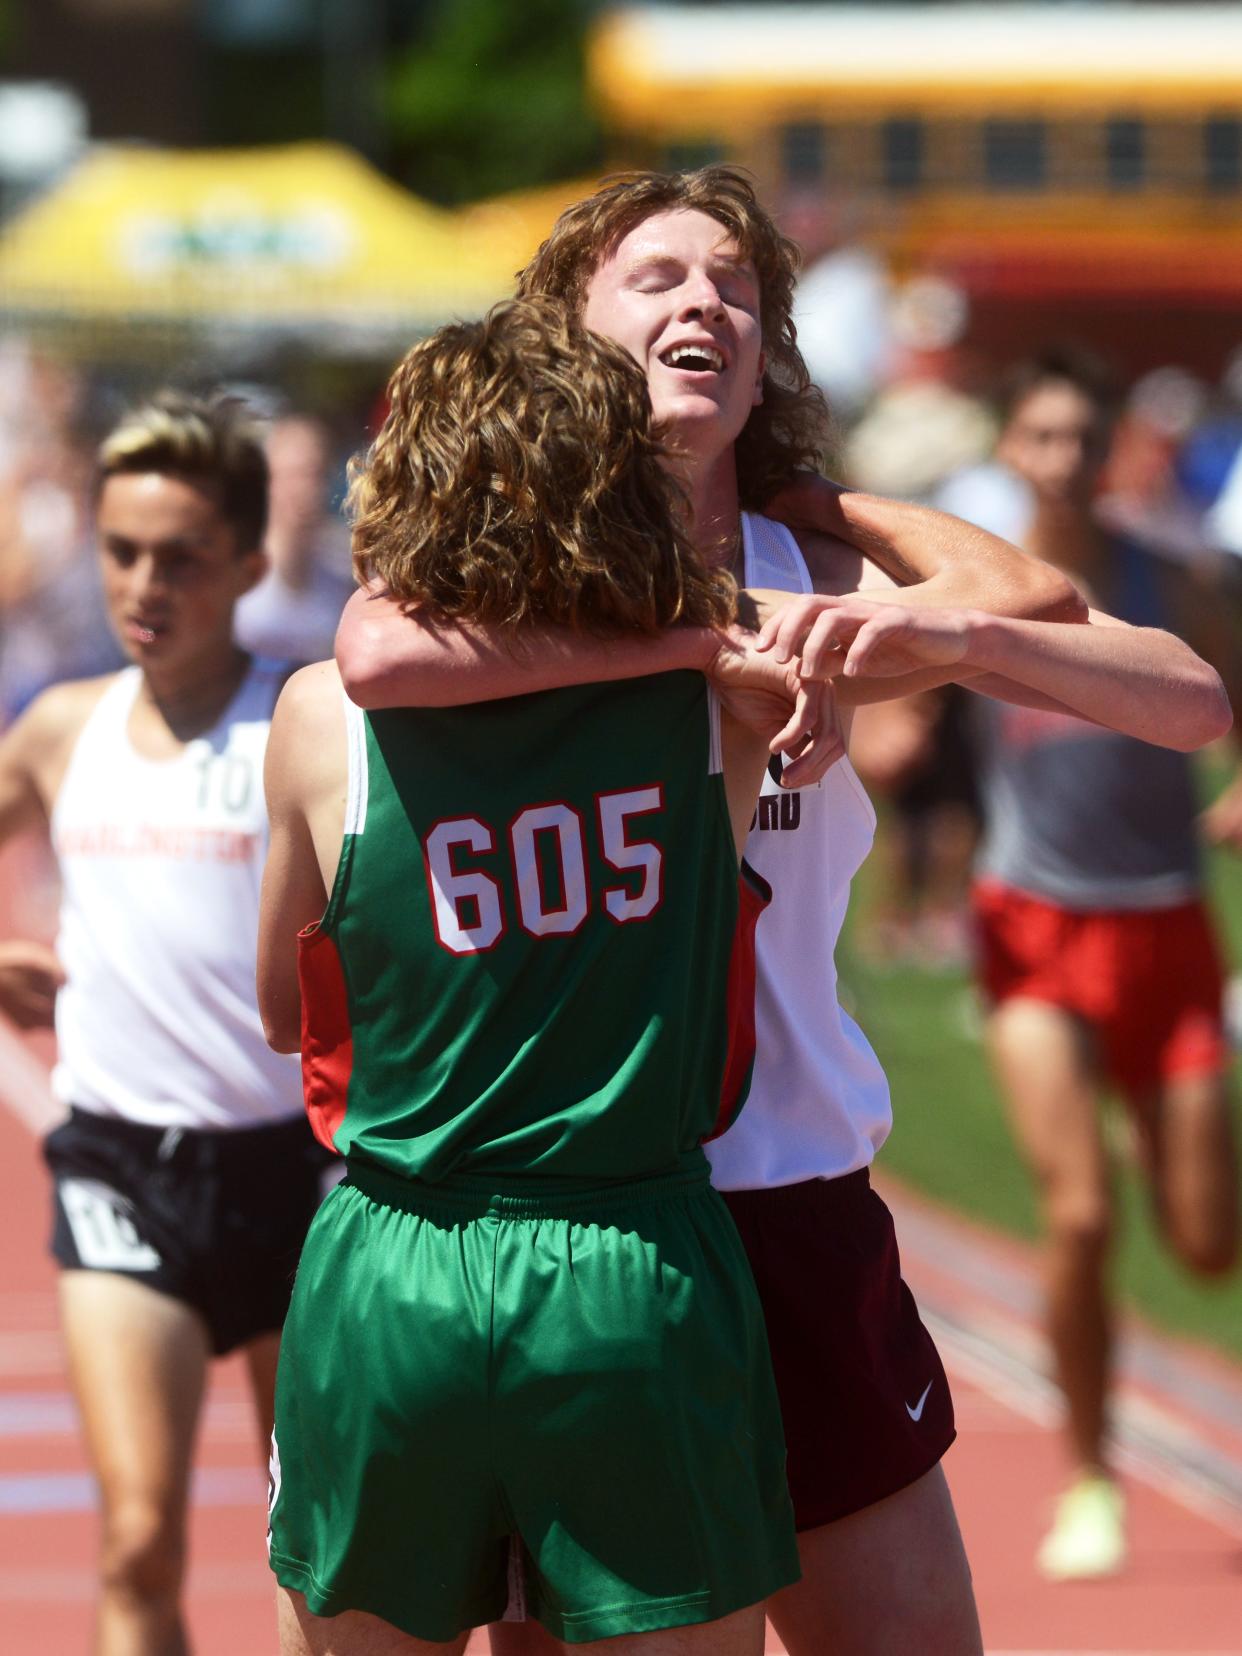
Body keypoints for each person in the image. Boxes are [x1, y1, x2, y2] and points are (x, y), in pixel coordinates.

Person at [332, 170, 1225, 1655]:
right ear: (567, 327)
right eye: (660, 277)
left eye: (740, 287)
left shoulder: (827, 586)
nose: (707, 304)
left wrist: (908, 598)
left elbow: (1182, 697)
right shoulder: (509, 591)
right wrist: (709, 649)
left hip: (790, 1205)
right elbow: (371, 649)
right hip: (567, 1219)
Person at [258, 294, 835, 1655]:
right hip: (631, 1266)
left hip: (394, 1258)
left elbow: (288, 1010)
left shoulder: (315, 717)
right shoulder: (721, 694)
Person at [0, 392, 328, 1654]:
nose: (146, 585)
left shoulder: (303, 723)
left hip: (297, 1170)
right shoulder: (59, 728)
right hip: (122, 1168)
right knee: (138, 1533)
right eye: (122, 552)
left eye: (182, 557)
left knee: (318, 1554)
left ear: (247, 564)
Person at [955, 347, 1241, 1580]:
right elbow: (899, 710)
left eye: (1085, 437)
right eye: (1043, 439)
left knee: (1205, 1243)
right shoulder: (961, 583)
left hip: (1167, 923)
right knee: (1075, 1212)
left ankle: (1150, 1125)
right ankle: (1088, 1475)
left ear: (1113, 446)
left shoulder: (1172, 579)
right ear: (1011, 451)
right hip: (1031, 924)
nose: (1066, 460)